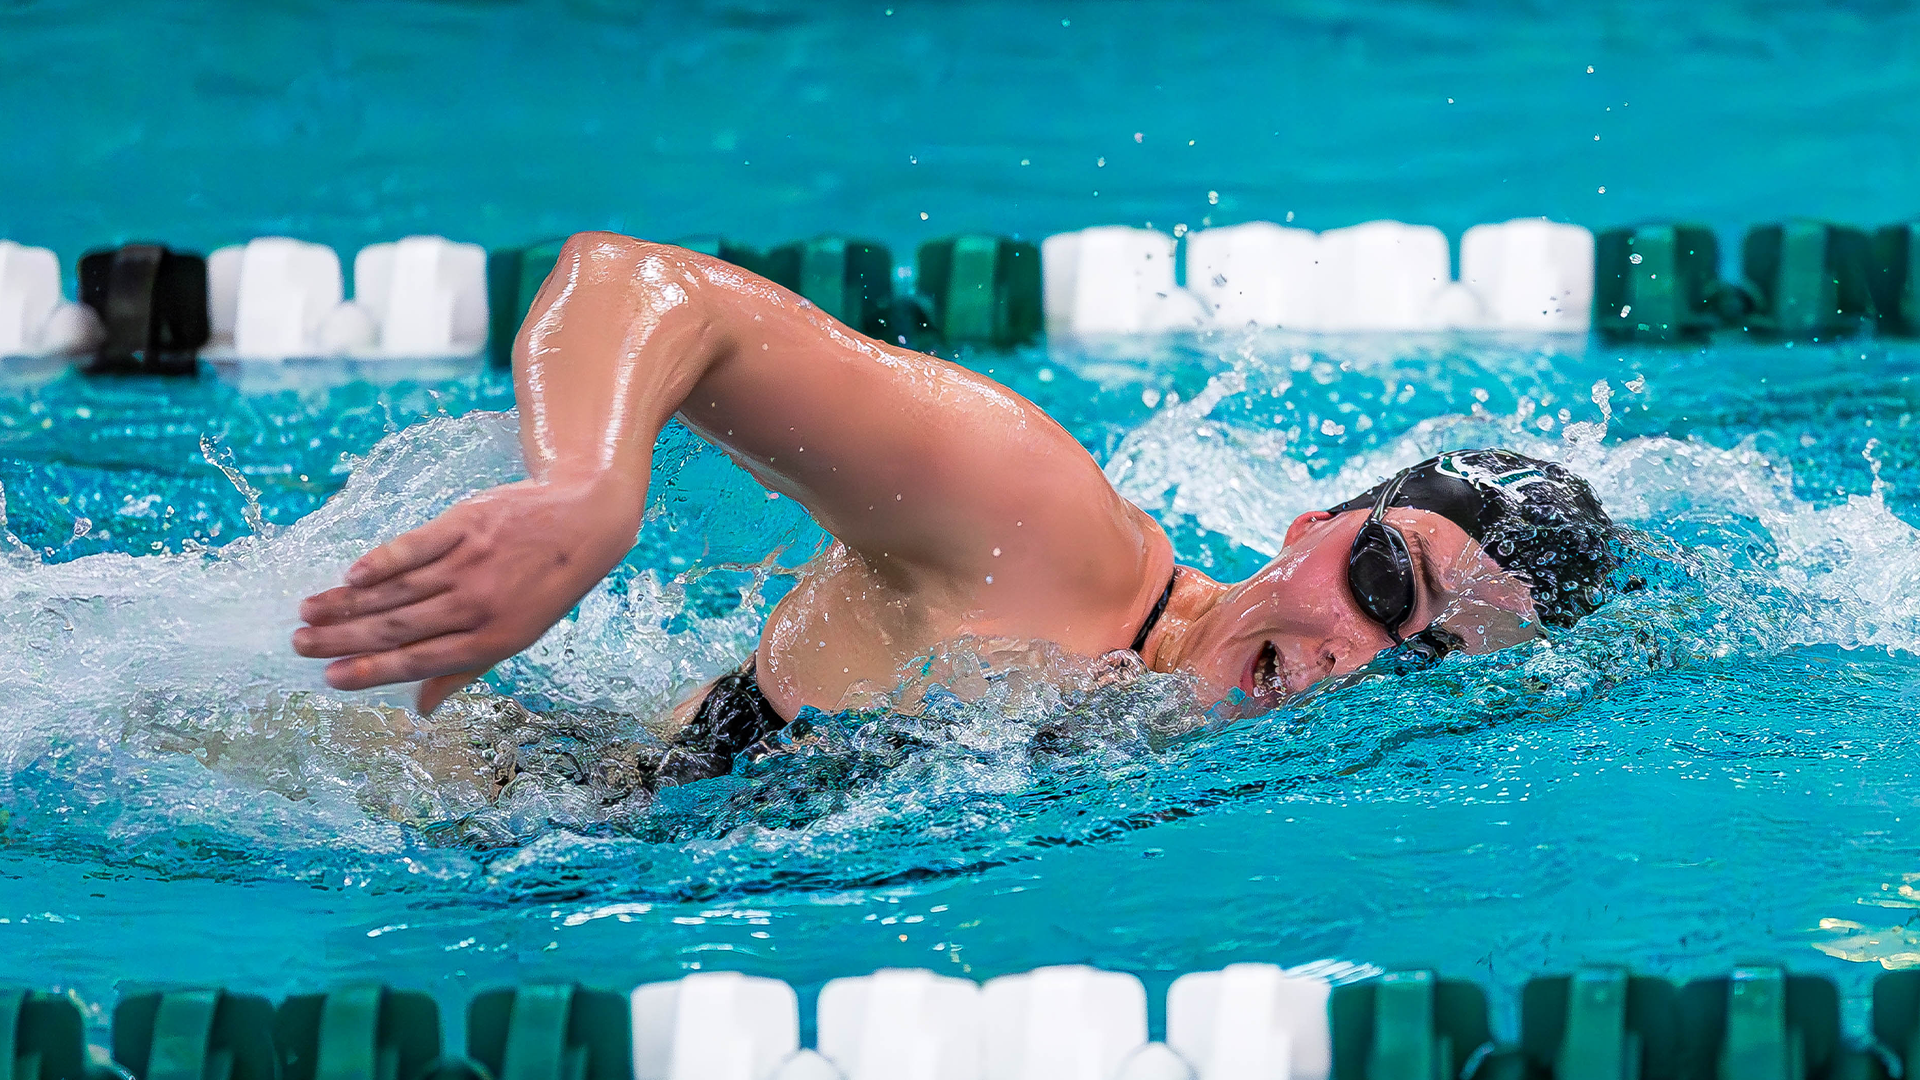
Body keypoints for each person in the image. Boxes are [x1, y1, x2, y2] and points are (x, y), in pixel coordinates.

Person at [292, 233, 1616, 790]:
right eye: (1389, 587)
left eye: (1427, 662)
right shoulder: (1035, 524)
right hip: (443, 786)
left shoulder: (1234, 766)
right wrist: (586, 497)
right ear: (1316, 524)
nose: (1364, 656)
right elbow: (643, 283)